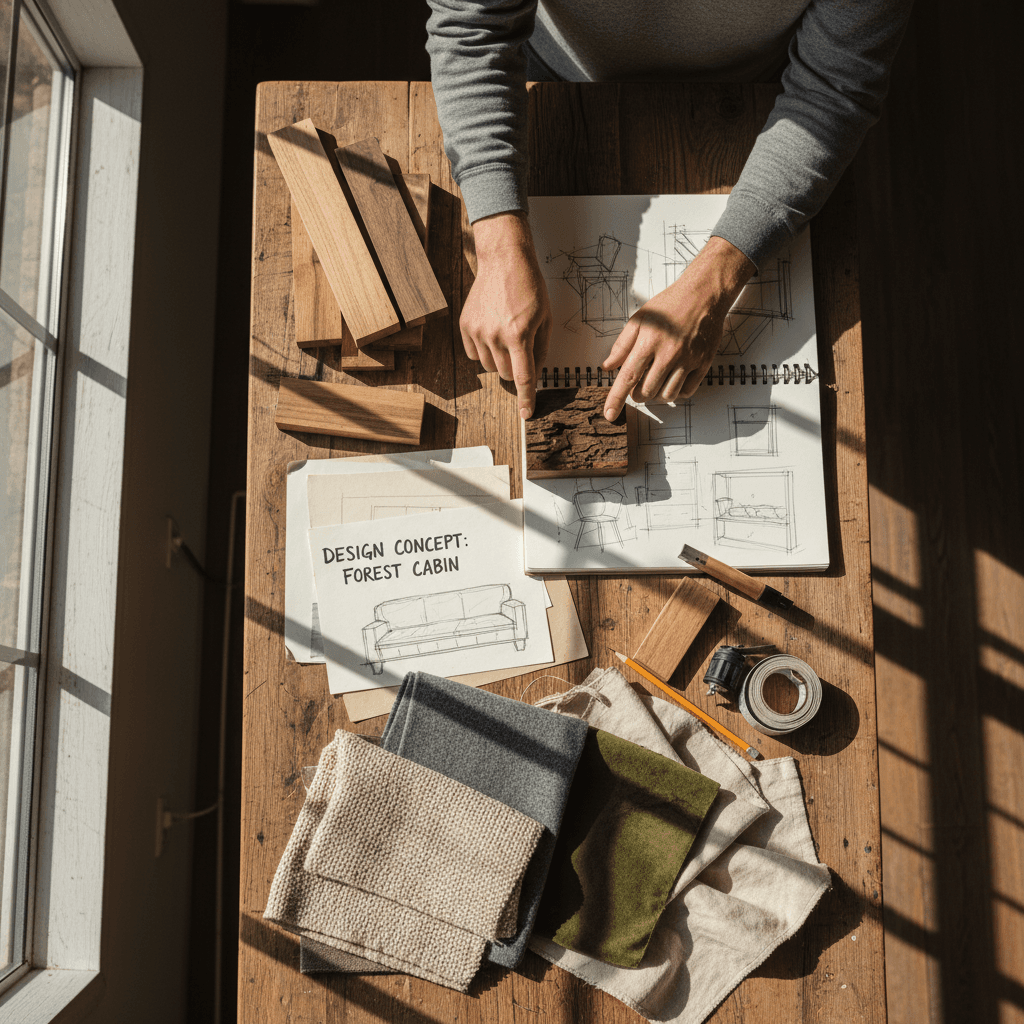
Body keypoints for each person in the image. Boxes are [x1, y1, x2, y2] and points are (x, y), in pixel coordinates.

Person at [424, 0, 913, 421]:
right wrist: (497, 242)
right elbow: (472, 29)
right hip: (552, 79)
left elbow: (833, 89)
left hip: (759, 101)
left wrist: (715, 282)